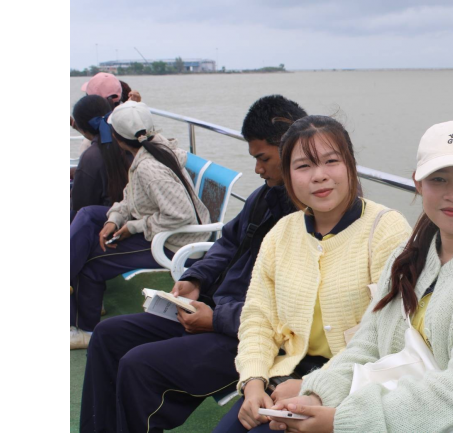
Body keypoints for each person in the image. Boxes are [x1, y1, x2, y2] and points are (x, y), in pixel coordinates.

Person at [268, 120, 453, 432]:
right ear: (418, 184)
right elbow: (368, 344)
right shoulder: (408, 253)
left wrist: (341, 422)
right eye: (438, 179)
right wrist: (317, 396)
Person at [79, 95, 308, 433]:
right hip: (214, 309)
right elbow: (228, 241)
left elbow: (291, 312)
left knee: (139, 366)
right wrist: (196, 278)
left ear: (291, 148)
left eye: (263, 159)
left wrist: (216, 319)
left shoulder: (310, 220)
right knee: (107, 335)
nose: (258, 169)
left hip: (246, 333)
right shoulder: (265, 196)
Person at [213, 115, 412, 433]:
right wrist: (253, 382)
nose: (320, 176)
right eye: (304, 166)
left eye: (331, 161)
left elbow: (391, 335)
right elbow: (258, 318)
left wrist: (312, 385)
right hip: (285, 377)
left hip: (354, 385)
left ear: (350, 164)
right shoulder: (281, 233)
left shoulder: (386, 230)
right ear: (289, 176)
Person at [70, 101, 210, 350]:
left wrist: (134, 227)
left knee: (92, 263)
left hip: (176, 243)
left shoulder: (148, 168)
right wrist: (114, 219)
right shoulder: (151, 149)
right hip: (163, 229)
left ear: (116, 137)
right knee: (89, 215)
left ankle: (86, 330)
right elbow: (130, 196)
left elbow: (181, 215)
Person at [70, 95, 131, 221]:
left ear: (82, 128)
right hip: (130, 215)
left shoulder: (90, 156)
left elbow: (80, 204)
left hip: (103, 221)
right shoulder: (127, 142)